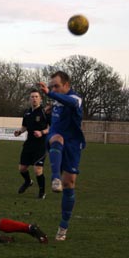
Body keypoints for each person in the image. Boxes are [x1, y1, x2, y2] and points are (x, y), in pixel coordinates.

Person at [38, 71, 86, 242]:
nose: (53, 89)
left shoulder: (76, 99)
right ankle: (55, 178)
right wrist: (49, 111)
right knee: (57, 138)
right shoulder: (57, 100)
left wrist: (50, 94)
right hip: (56, 136)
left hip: (73, 144)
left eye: (56, 86)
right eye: (52, 87)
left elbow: (71, 103)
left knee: (69, 184)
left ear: (66, 85)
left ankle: (63, 227)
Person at [14, 89, 50, 199]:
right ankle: (28, 182)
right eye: (32, 97)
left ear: (40, 99)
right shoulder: (27, 112)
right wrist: (19, 132)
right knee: (22, 168)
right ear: (29, 99)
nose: (34, 98)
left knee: (37, 169)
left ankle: (42, 192)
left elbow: (51, 127)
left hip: (41, 144)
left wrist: (42, 132)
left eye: (36, 96)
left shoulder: (45, 112)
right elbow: (24, 126)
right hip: (29, 144)